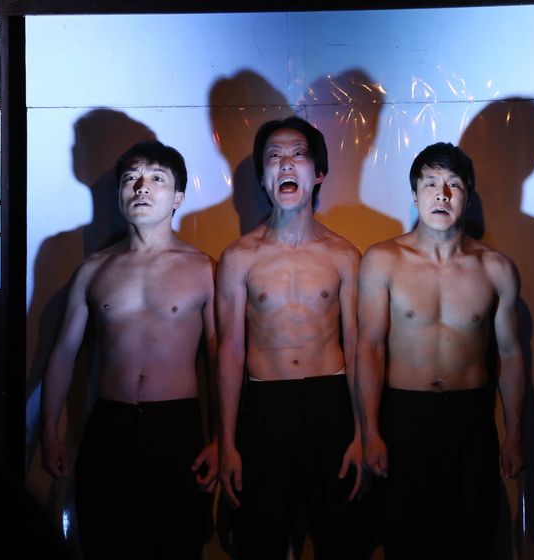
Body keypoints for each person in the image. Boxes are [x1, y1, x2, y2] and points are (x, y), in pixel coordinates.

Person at [40, 141, 218, 560]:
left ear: (177, 198)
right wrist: (49, 432)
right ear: (120, 195)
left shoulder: (204, 269)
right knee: (106, 544)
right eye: (131, 179)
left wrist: (222, 439)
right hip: (109, 426)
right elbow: (63, 353)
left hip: (177, 428)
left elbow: (219, 358)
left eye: (156, 178)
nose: (141, 187)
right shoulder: (93, 270)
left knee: (178, 546)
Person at [356, 142, 525, 558]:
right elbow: (370, 348)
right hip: (402, 417)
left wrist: (514, 433)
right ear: (415, 194)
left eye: (453, 184)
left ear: (467, 195)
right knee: (404, 540)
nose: (442, 194)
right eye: (430, 183)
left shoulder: (496, 268)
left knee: (470, 539)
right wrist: (370, 431)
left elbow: (510, 355)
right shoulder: (383, 260)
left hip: (470, 420)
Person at [216, 116, 367, 559]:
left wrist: (363, 432)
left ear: (318, 173)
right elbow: (229, 352)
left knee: (339, 538)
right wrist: (227, 442)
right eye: (274, 156)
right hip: (265, 406)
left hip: (331, 403)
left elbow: (359, 348)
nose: (286, 163)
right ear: (263, 177)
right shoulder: (238, 257)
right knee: (260, 539)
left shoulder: (345, 255)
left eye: (298, 154)